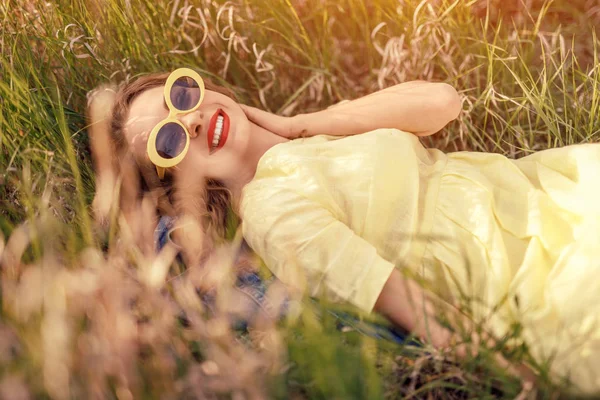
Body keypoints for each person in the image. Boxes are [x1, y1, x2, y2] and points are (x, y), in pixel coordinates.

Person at [103, 67, 600, 395]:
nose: (188, 119)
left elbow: (442, 102)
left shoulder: (310, 135)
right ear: (174, 177)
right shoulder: (274, 213)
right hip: (518, 267)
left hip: (542, 191)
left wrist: (297, 123)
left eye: (181, 94)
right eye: (167, 139)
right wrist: (525, 381)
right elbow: (407, 304)